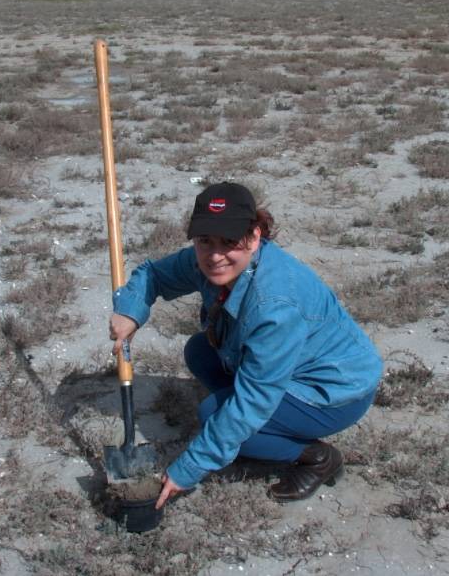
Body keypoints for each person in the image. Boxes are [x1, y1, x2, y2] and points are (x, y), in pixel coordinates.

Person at [109, 182, 382, 509]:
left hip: (335, 392)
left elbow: (252, 402)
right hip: (292, 368)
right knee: (199, 352)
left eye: (229, 242)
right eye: (204, 241)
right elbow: (154, 274)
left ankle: (317, 457)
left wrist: (188, 468)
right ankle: (255, 437)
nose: (215, 255)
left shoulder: (275, 306)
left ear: (254, 237)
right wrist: (130, 312)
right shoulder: (207, 261)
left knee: (215, 414)